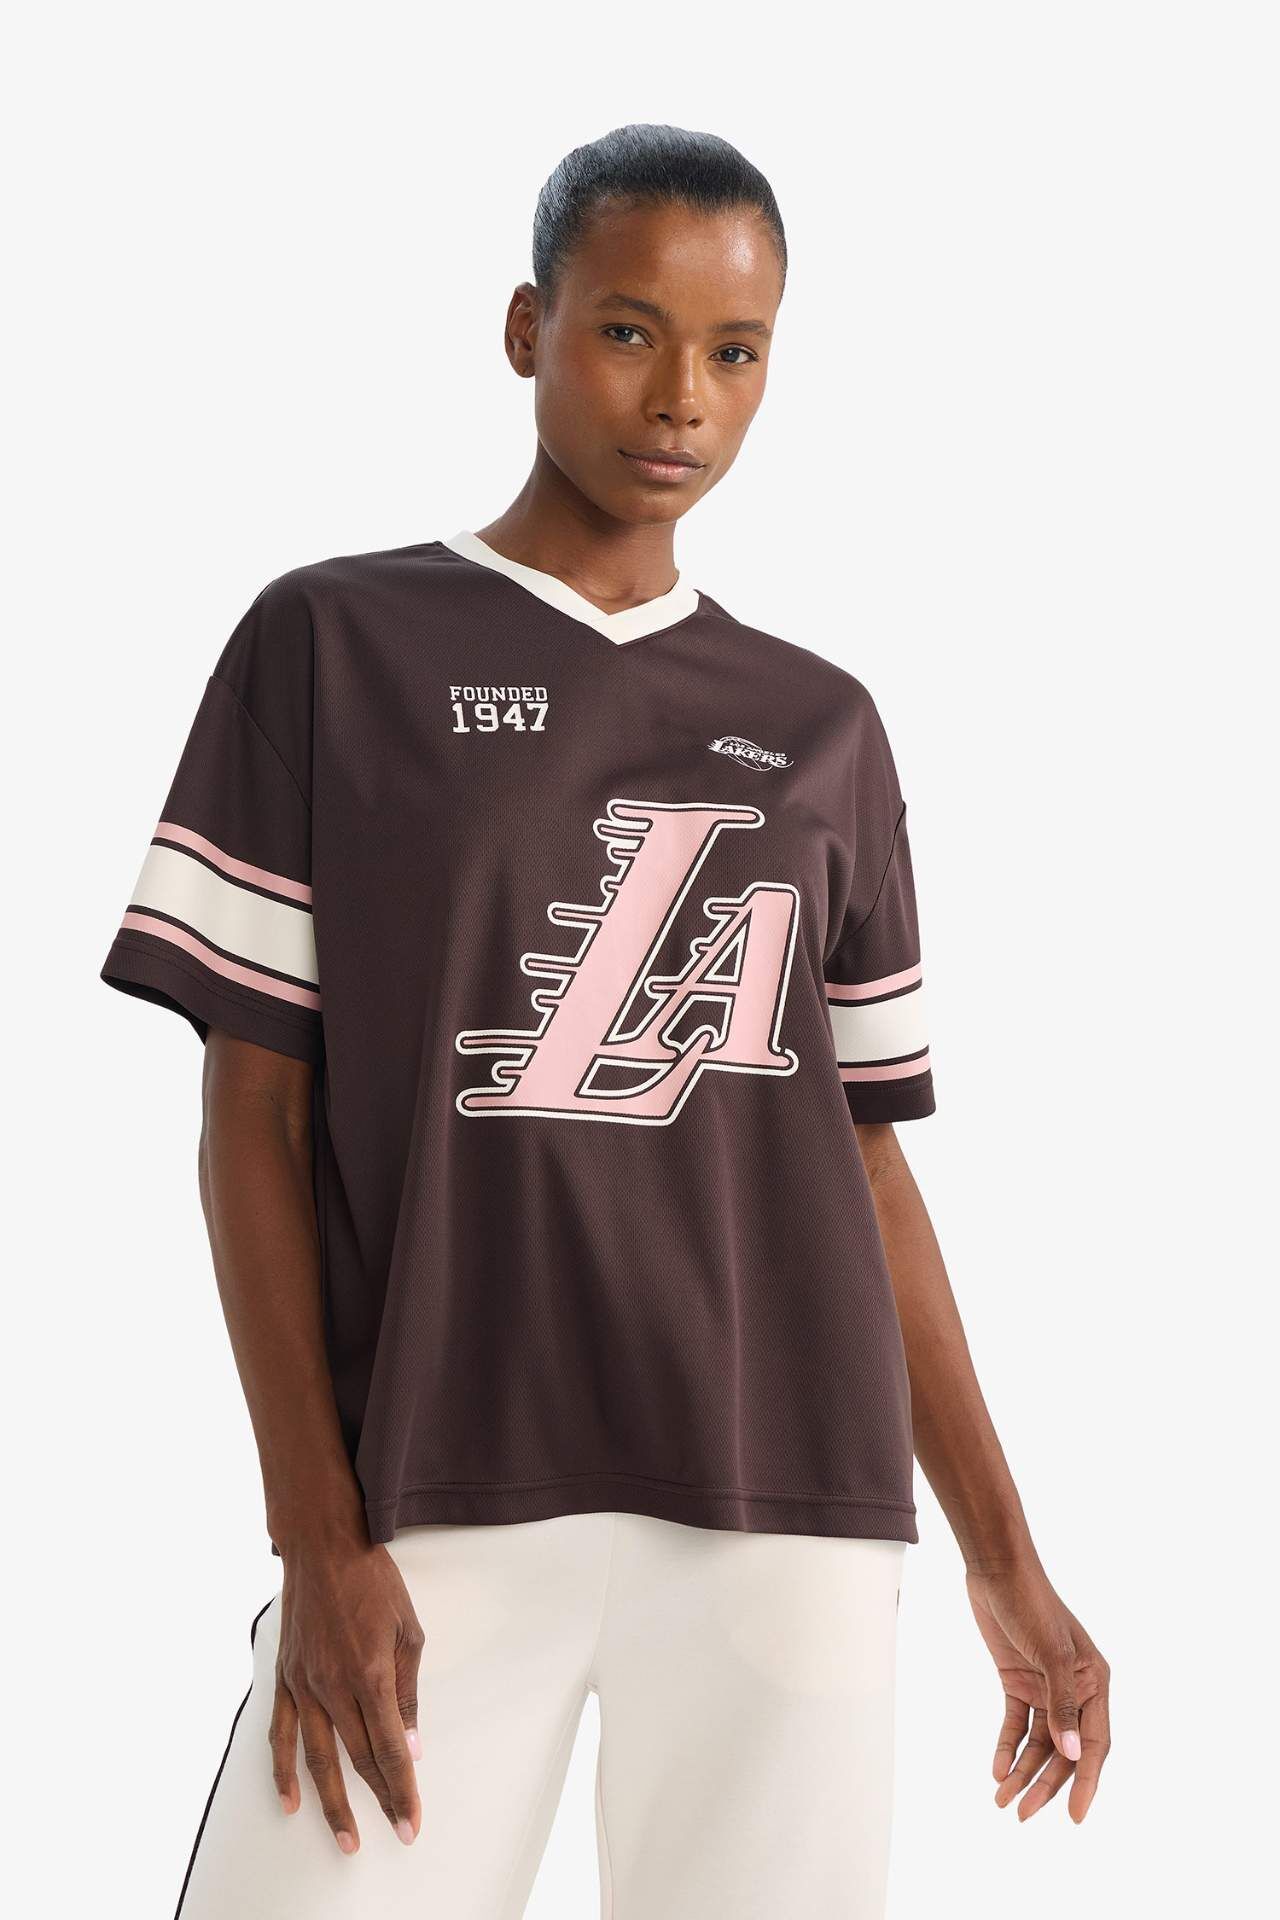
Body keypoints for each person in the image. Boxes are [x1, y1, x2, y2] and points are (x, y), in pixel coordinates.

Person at [100, 123, 1111, 1919]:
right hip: (434, 1492)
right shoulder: (333, 644)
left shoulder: (825, 724)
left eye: (737, 351)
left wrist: (1006, 1559)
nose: (683, 399)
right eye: (631, 331)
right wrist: (314, 1533)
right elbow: (250, 1119)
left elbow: (865, 1173)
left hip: (785, 1513)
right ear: (528, 328)